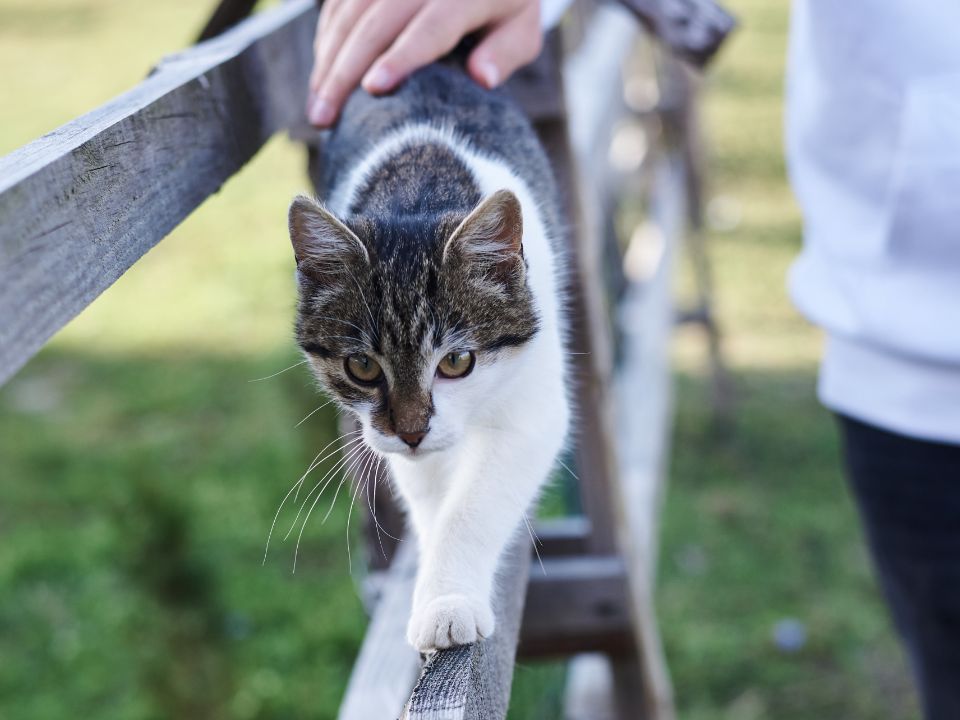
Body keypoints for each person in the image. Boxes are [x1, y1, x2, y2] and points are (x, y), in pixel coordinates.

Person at [305, 1, 960, 717]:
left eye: (451, 368)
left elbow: (534, 420)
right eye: (364, 374)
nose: (404, 424)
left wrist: (452, 561)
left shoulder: (496, 270)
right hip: (908, 370)